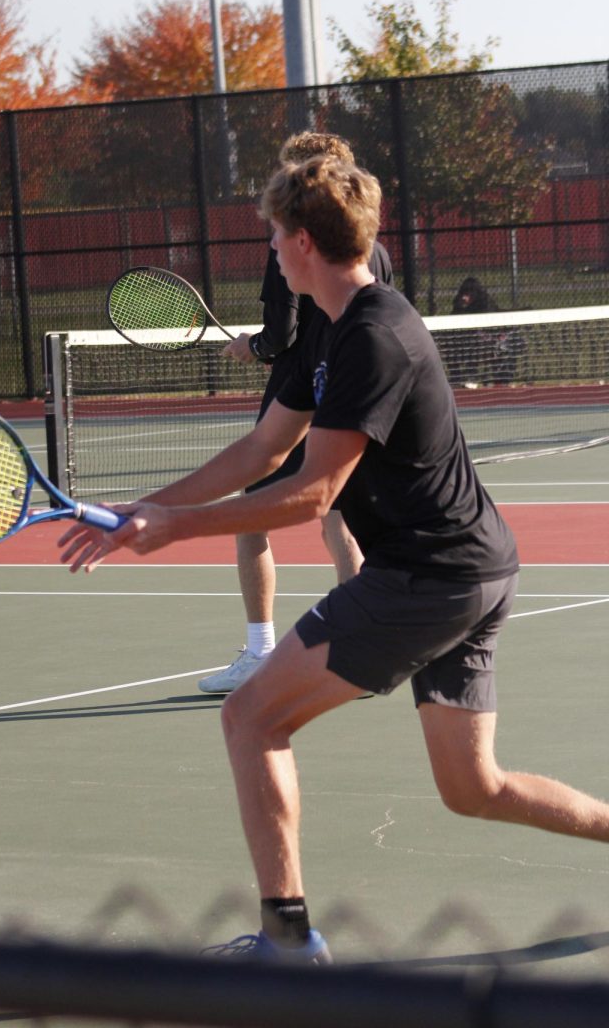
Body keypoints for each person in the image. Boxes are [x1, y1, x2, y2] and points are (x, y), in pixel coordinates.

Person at [58, 156, 609, 965]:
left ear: (305, 241)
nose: (271, 254)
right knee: (474, 789)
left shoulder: (374, 338)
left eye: (276, 238)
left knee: (251, 718)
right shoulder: (333, 330)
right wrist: (151, 505)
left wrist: (175, 529)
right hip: (472, 568)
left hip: (429, 575)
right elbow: (260, 446)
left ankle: (287, 942)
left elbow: (311, 496)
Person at [199, 131, 394, 695]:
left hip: (305, 392)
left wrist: (254, 347)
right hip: (344, 390)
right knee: (341, 517)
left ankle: (260, 651)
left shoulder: (290, 242)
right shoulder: (373, 249)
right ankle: (361, 651)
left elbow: (282, 334)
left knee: (251, 517)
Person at [447, 276, 526, 387]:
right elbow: (453, 319)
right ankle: (460, 376)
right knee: (454, 347)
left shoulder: (486, 303)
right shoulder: (458, 303)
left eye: (469, 292)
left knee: (508, 347)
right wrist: (462, 306)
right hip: (467, 340)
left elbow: (494, 325)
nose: (466, 295)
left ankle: (500, 379)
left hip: (490, 339)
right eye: (465, 292)